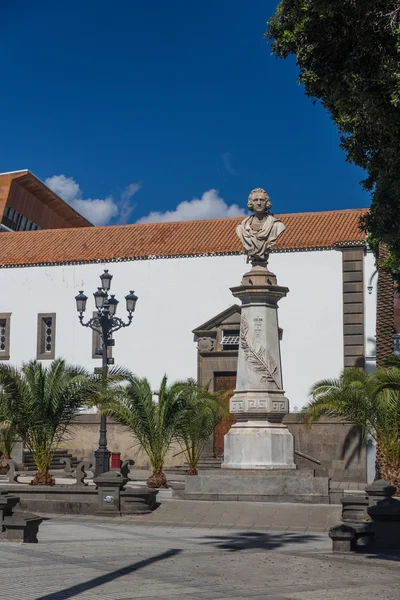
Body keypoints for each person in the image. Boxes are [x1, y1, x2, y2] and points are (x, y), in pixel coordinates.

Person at [236, 188, 286, 263]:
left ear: (267, 203)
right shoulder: (242, 227)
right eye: (255, 200)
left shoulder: (276, 226)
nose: (259, 203)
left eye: (262, 200)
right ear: (251, 203)